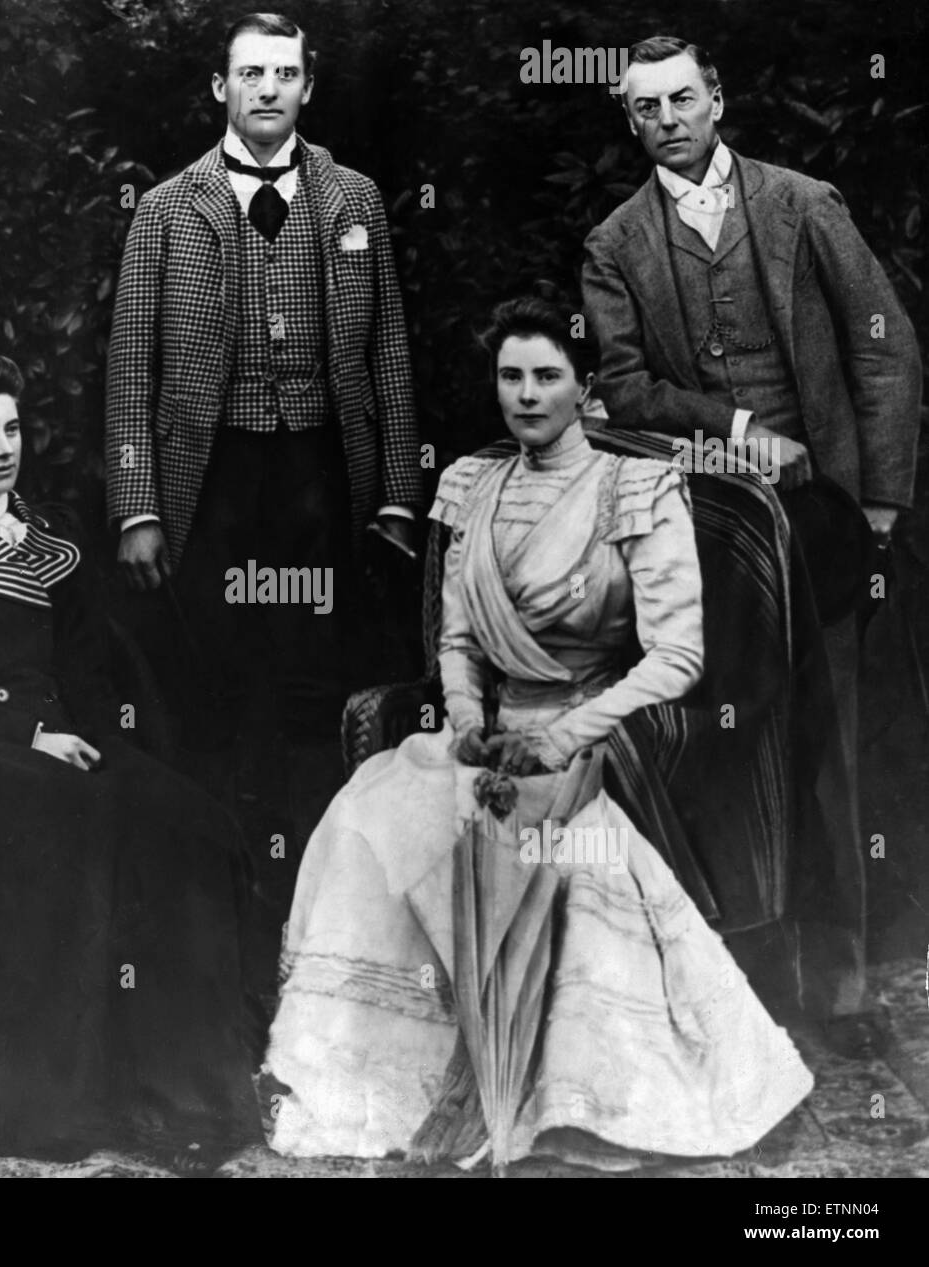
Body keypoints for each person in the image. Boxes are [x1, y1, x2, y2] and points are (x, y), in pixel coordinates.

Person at [264, 299, 813, 1167]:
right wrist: (471, 723)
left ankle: (559, 1089)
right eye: (511, 376)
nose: (526, 395)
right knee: (368, 821)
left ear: (586, 388)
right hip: (488, 737)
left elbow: (677, 655)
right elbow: (455, 641)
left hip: (588, 733)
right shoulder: (472, 488)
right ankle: (394, 1075)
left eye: (547, 376)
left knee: (556, 852)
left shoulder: (636, 486)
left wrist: (563, 741)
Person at [0, 352, 262, 1172]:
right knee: (81, 816)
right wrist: (26, 736)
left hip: (65, 739)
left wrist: (121, 754)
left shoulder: (50, 529)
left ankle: (184, 1090)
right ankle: (64, 1097)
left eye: (13, 429)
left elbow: (89, 674)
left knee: (195, 826)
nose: (3, 448)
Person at [581, 35, 921, 1056]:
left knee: (831, 743)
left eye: (684, 97)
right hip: (715, 531)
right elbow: (622, 386)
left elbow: (885, 346)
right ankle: (734, 982)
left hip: (826, 516)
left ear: (716, 99)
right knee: (728, 739)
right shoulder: (616, 243)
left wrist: (882, 504)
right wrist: (731, 429)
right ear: (630, 122)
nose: (670, 119)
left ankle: (843, 987)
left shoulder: (801, 205)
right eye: (647, 108)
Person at [104, 12, 421, 890]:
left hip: (321, 470)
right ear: (221, 88)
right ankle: (225, 894)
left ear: (308, 87)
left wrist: (396, 494)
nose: (268, 90)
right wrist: (138, 507)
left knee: (315, 680)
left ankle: (315, 895)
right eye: (251, 75)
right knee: (215, 679)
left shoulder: (353, 198)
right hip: (212, 478)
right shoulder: (168, 209)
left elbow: (388, 350)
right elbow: (131, 364)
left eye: (284, 74)